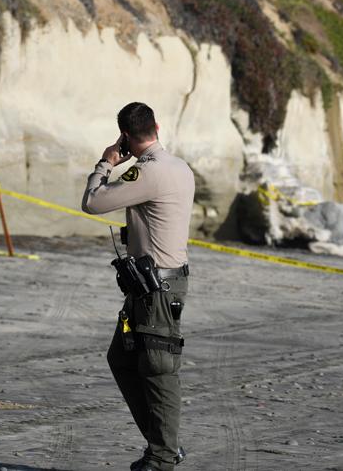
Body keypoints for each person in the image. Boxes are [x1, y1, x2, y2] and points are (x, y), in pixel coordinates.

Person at [82, 102, 196, 471]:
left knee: (158, 369)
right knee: (123, 359)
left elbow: (93, 202)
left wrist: (107, 163)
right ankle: (164, 444)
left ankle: (162, 455)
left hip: (155, 289)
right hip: (156, 284)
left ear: (127, 138)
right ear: (158, 127)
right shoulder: (179, 167)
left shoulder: (147, 173)